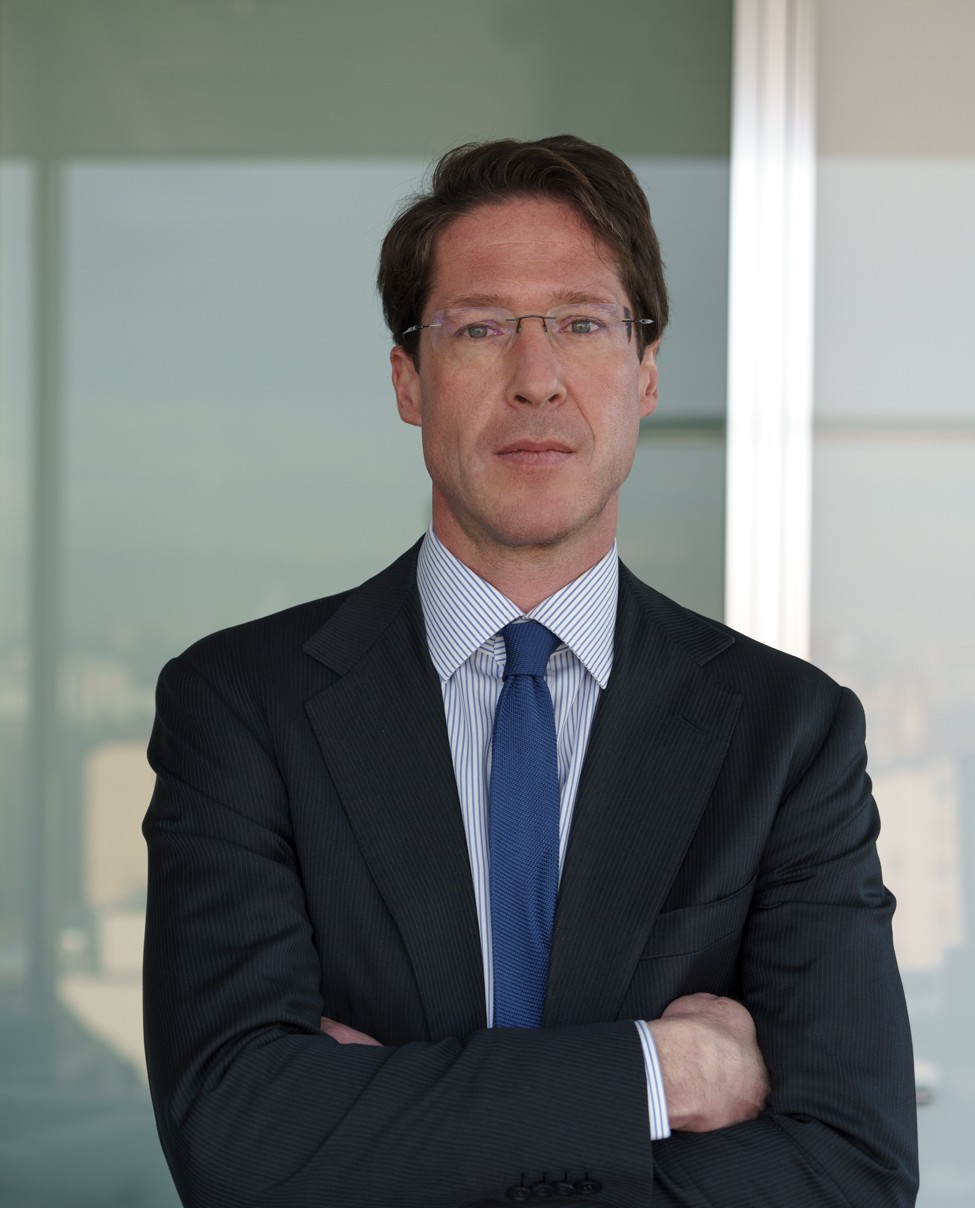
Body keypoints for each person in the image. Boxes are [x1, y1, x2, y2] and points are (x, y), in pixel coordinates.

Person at [142, 135, 918, 1208]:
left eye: (582, 323)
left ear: (646, 372)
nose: (536, 379)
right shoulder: (242, 707)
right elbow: (238, 1140)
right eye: (481, 328)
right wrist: (656, 1072)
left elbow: (851, 1172)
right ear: (409, 380)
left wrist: (380, 1134)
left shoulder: (788, 734)